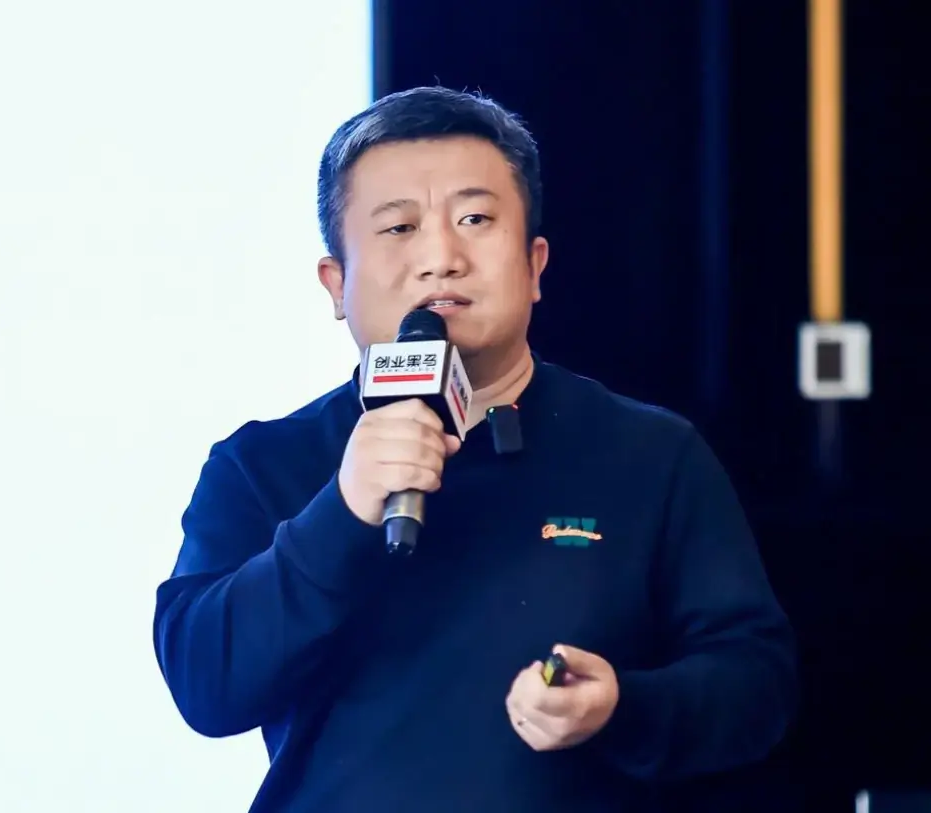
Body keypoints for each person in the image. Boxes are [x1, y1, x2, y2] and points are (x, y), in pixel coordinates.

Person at [152, 86, 797, 812]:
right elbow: (206, 686)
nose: (440, 257)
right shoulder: (262, 464)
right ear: (336, 283)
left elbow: (757, 684)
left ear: (535, 265)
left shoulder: (650, 454)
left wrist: (625, 706)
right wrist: (342, 510)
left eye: (475, 220)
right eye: (399, 227)